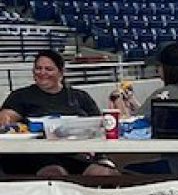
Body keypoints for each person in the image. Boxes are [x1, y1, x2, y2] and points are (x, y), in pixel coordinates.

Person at [0, 49, 117, 177]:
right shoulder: (21, 96)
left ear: (61, 73)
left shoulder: (80, 96)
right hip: (38, 156)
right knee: (55, 173)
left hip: (78, 154)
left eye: (48, 69)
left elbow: (100, 125)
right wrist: (6, 119)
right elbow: (6, 117)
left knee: (105, 174)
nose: (42, 73)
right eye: (38, 68)